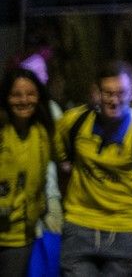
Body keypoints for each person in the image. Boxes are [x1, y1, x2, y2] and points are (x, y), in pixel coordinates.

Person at [55, 61, 132, 276]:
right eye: (108, 93)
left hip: (127, 230)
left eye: (121, 93)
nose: (114, 100)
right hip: (80, 225)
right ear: (96, 92)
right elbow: (63, 161)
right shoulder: (73, 122)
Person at [0, 68, 54, 277]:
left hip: (20, 237)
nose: (24, 100)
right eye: (16, 95)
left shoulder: (42, 133)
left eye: (30, 94)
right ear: (6, 97)